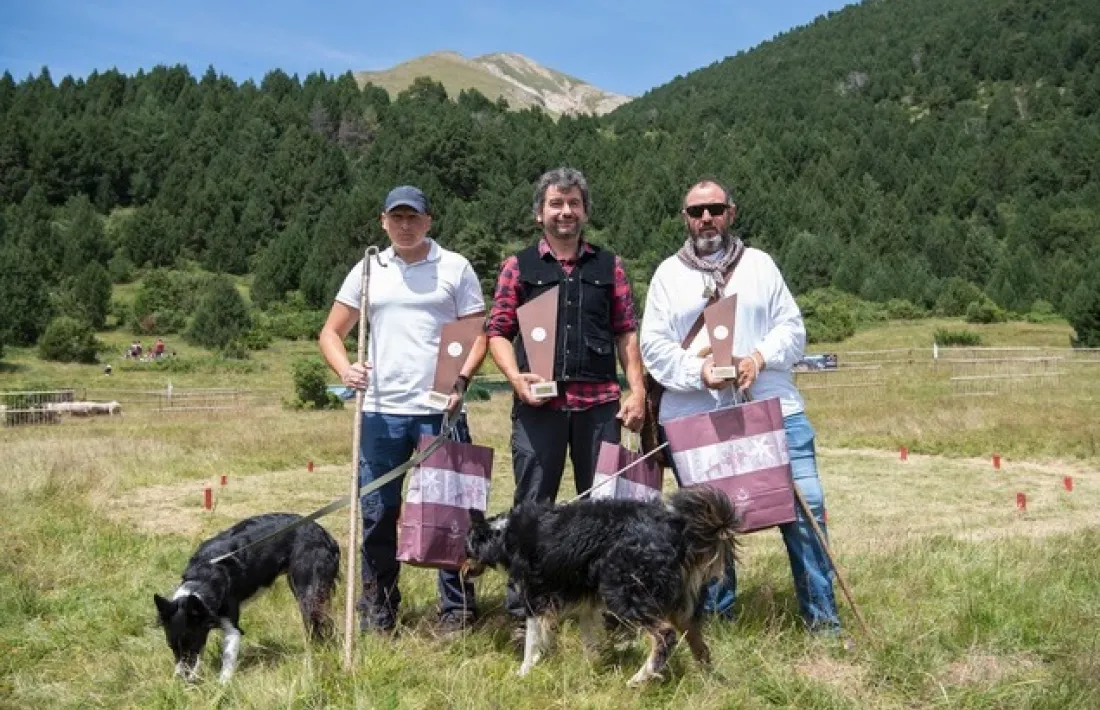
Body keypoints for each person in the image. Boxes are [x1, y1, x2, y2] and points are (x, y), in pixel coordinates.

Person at [639, 179, 840, 632]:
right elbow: (652, 347)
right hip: (697, 419)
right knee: (708, 528)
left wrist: (758, 357)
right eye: (696, 211)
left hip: (772, 408)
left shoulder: (761, 266)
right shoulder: (666, 275)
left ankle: (823, 624)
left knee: (805, 513)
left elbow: (792, 329)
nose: (705, 218)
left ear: (731, 211)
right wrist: (699, 373)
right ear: (684, 218)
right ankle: (718, 626)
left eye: (714, 208)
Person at [319, 185, 488, 635]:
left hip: (441, 410)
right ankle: (378, 608)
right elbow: (331, 334)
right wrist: (345, 369)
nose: (405, 225)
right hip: (380, 412)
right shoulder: (368, 269)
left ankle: (457, 610)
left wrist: (462, 381)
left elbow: (478, 334)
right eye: (397, 217)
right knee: (377, 513)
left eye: (413, 217)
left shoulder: (455, 267)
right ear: (383, 221)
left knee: (451, 514)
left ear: (429, 221)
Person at [486, 167, 646, 623]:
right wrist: (516, 377)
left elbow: (625, 333)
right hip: (539, 410)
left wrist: (636, 390)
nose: (565, 212)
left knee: (603, 512)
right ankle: (526, 614)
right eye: (556, 203)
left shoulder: (608, 264)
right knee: (532, 510)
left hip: (599, 407)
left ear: (585, 211)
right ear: (540, 213)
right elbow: (497, 330)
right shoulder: (518, 266)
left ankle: (607, 611)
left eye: (574, 203)